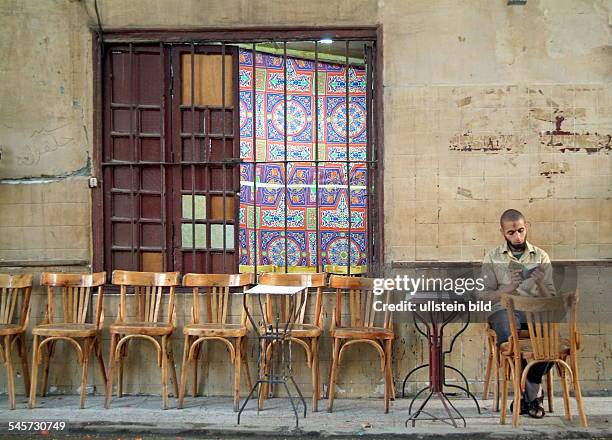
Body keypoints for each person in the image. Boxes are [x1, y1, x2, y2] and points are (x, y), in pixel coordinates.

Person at [480, 209, 555, 419]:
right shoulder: (492, 257)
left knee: (551, 340)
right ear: (503, 232)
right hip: (504, 311)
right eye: (511, 232)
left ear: (526, 227)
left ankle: (525, 396)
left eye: (521, 230)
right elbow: (483, 296)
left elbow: (551, 297)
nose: (518, 237)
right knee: (510, 338)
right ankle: (534, 397)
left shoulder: (541, 256)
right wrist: (508, 287)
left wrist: (540, 282)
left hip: (533, 312)